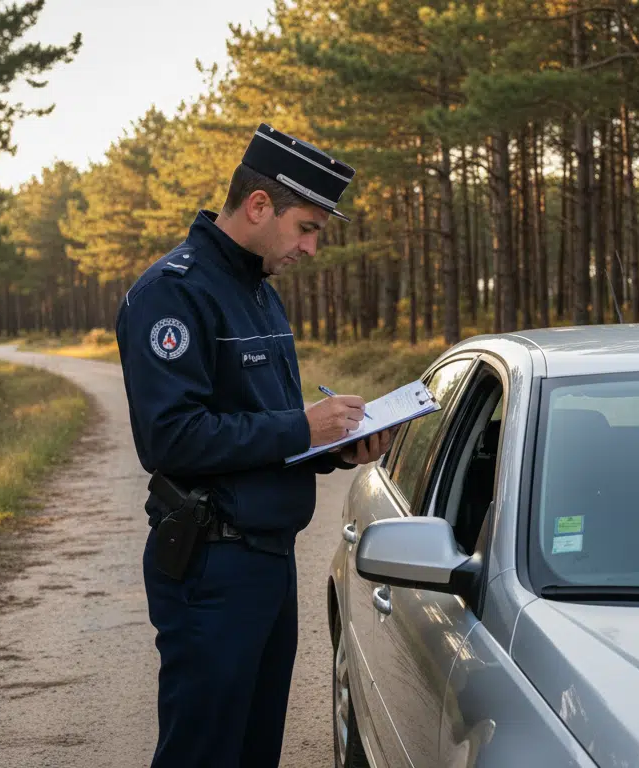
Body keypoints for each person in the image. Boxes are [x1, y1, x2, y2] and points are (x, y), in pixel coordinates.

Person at [116, 123, 394, 767]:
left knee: (253, 751)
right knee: (205, 752)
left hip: (267, 562)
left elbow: (255, 425)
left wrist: (336, 444)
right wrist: (305, 427)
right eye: (307, 227)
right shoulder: (173, 292)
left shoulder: (259, 295)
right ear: (259, 205)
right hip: (212, 567)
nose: (312, 246)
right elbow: (172, 438)